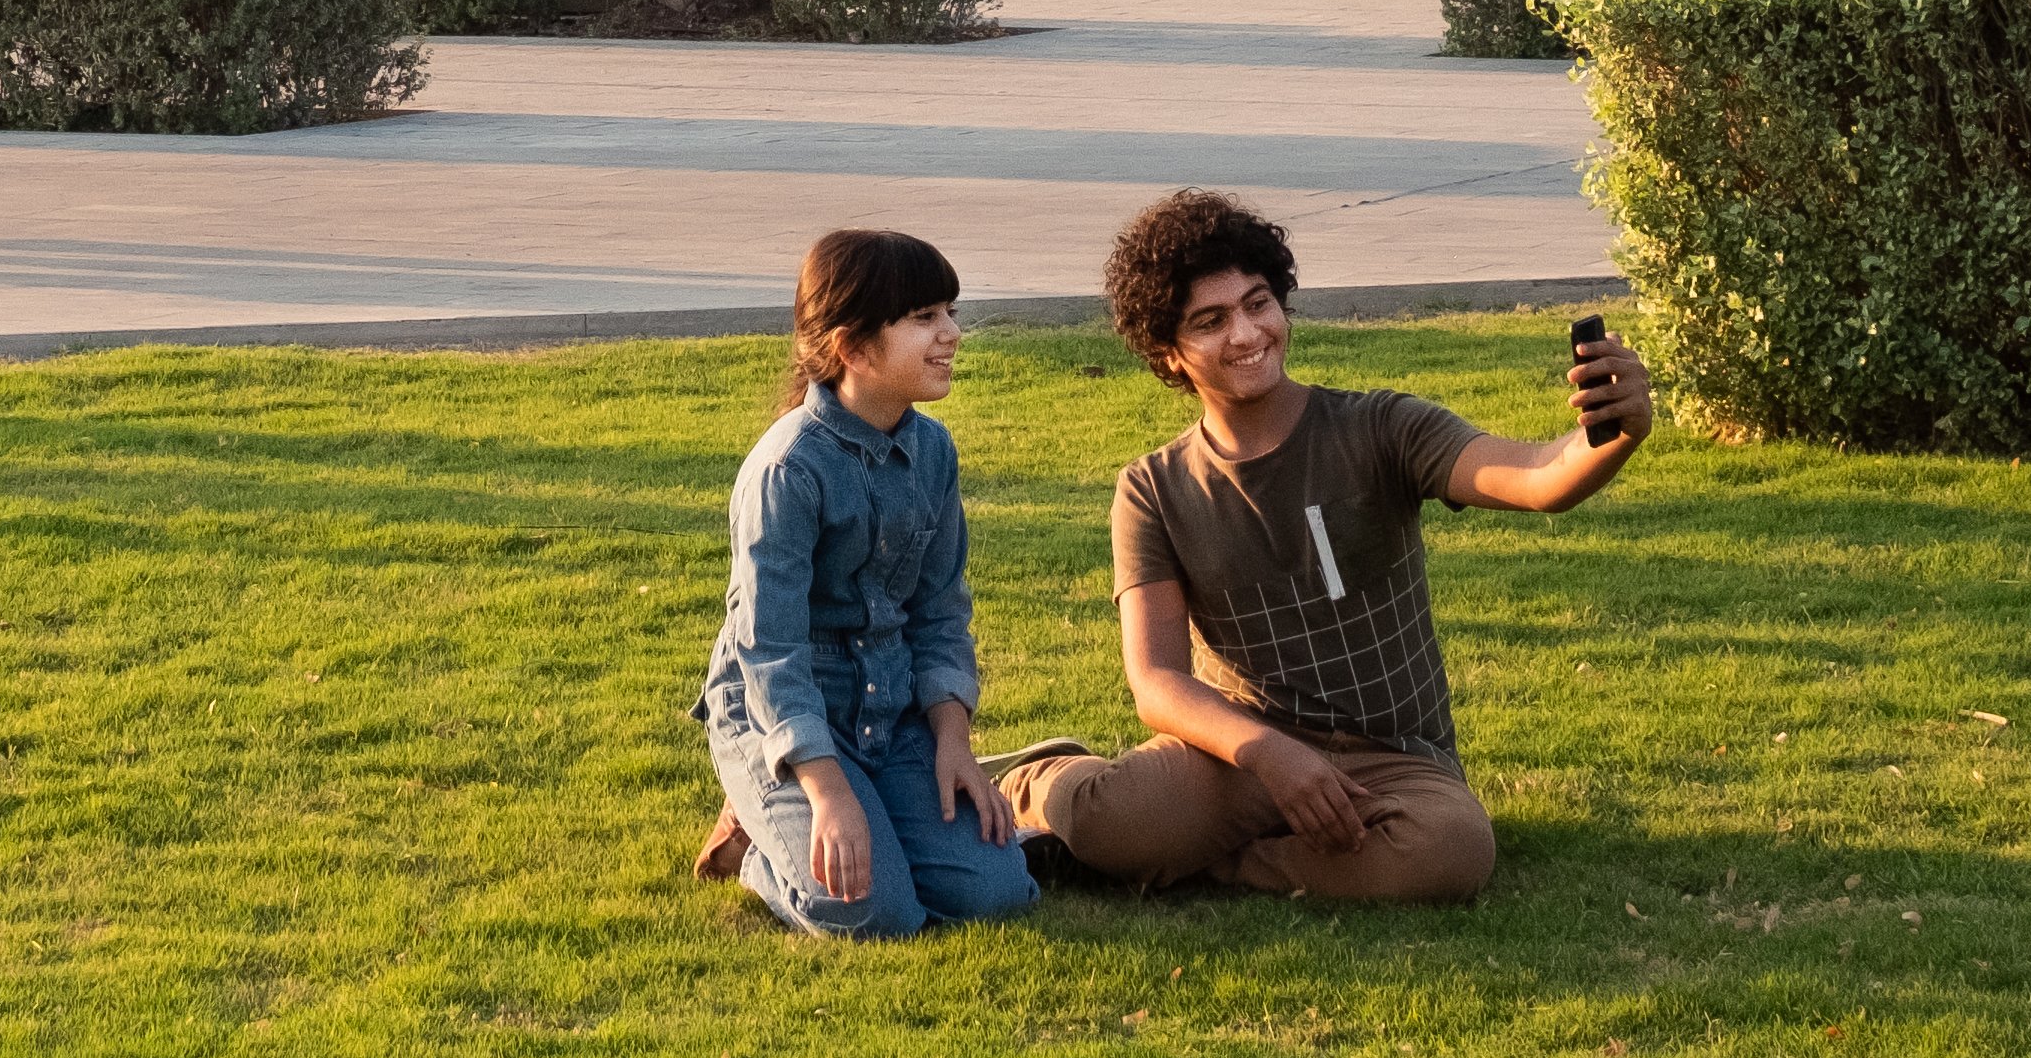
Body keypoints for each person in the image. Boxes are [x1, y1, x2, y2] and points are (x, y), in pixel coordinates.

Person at [992, 188, 1652, 905]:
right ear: (1169, 357)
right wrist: (1274, 757)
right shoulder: (1153, 489)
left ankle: (1223, 867)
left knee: (1451, 850)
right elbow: (1158, 683)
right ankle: (1041, 774)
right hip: (1240, 751)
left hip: (1394, 760)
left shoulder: (1382, 427)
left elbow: (1535, 478)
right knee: (1110, 824)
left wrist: (1610, 434)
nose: (1246, 334)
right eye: (1209, 322)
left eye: (1257, 304)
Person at [688, 229, 1040, 941]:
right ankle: (759, 842)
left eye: (950, 312)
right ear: (852, 348)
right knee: (872, 913)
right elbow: (769, 648)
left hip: (891, 709)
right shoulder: (787, 470)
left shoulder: (933, 451)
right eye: (924, 319)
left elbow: (940, 612)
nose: (952, 335)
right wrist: (824, 787)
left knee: (999, 891)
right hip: (780, 712)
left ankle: (874, 815)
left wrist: (953, 744)